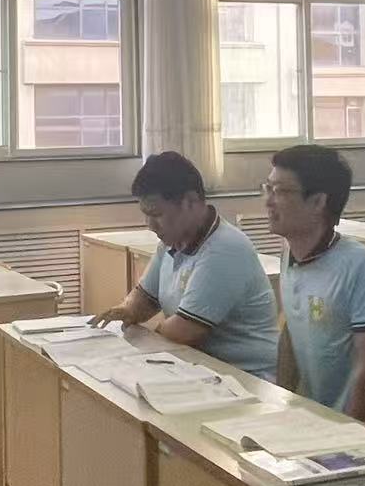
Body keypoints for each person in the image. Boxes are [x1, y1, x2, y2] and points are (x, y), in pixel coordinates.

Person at [93, 151, 279, 378]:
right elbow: (143, 299)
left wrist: (137, 344)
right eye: (145, 214)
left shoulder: (225, 248)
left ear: (190, 201)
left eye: (157, 214)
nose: (150, 224)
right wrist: (126, 310)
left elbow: (182, 332)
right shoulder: (171, 243)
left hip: (246, 378)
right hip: (201, 370)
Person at [265, 145, 365, 416]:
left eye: (281, 191)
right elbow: (291, 332)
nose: (268, 201)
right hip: (310, 416)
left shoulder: (361, 266)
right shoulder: (290, 253)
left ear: (318, 202)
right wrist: (281, 407)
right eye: (268, 188)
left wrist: (348, 429)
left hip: (347, 422)